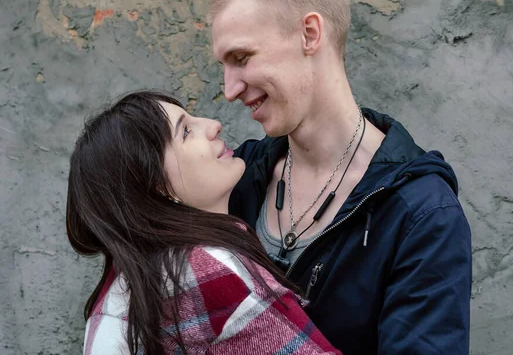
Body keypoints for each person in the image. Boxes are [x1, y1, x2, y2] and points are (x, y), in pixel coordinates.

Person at [209, 0, 472, 353]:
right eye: (224, 66)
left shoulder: (421, 214)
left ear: (310, 34)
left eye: (242, 58)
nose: (229, 89)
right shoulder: (235, 179)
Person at [66, 91, 340, 355]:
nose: (213, 126)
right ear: (158, 187)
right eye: (186, 132)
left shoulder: (129, 279)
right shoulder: (201, 270)